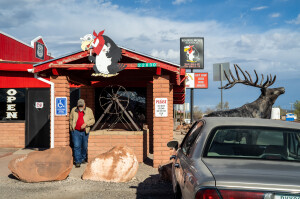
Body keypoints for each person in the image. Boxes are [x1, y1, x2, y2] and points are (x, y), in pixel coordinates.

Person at [70, 99, 95, 168]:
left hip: (85, 131)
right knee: (76, 146)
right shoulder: (73, 110)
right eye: (79, 106)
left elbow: (93, 120)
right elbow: (71, 119)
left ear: (84, 105)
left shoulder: (89, 110)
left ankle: (83, 158)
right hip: (76, 131)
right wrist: (72, 128)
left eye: (82, 106)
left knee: (84, 146)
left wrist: (86, 124)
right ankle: (78, 161)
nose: (81, 107)